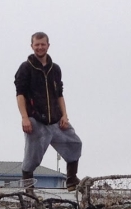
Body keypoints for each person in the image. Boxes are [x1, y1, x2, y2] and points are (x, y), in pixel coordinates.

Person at [15, 31, 82, 190]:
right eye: (37, 44)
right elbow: (20, 95)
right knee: (32, 157)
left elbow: (59, 94)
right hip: (36, 119)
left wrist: (65, 115)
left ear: (48, 46)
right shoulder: (25, 68)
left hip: (56, 119)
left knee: (74, 143)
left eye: (42, 44)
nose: (40, 47)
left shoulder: (55, 69)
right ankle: (28, 187)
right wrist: (25, 118)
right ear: (32, 46)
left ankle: (72, 180)